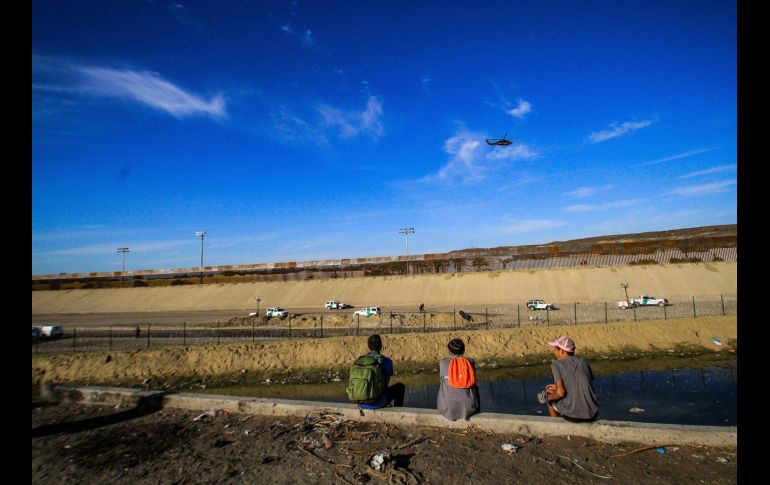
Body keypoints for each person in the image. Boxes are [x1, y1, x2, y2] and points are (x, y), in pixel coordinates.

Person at [538, 336, 598, 422]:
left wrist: (546, 397)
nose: (554, 352)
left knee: (549, 394)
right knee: (553, 391)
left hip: (574, 416)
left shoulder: (556, 364)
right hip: (592, 414)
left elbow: (560, 393)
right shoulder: (583, 362)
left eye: (555, 350)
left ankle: (556, 425)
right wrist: (557, 386)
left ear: (562, 351)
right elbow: (582, 383)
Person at [437, 338, 480, 421]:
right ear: (463, 350)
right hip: (469, 408)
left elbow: (442, 381)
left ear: (449, 351)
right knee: (475, 387)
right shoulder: (470, 362)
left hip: (447, 408)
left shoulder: (443, 362)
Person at [357, 334, 405, 409]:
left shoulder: (360, 360)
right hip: (378, 402)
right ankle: (397, 410)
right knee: (400, 387)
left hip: (361, 403)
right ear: (380, 346)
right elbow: (385, 384)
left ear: (368, 347)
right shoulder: (386, 360)